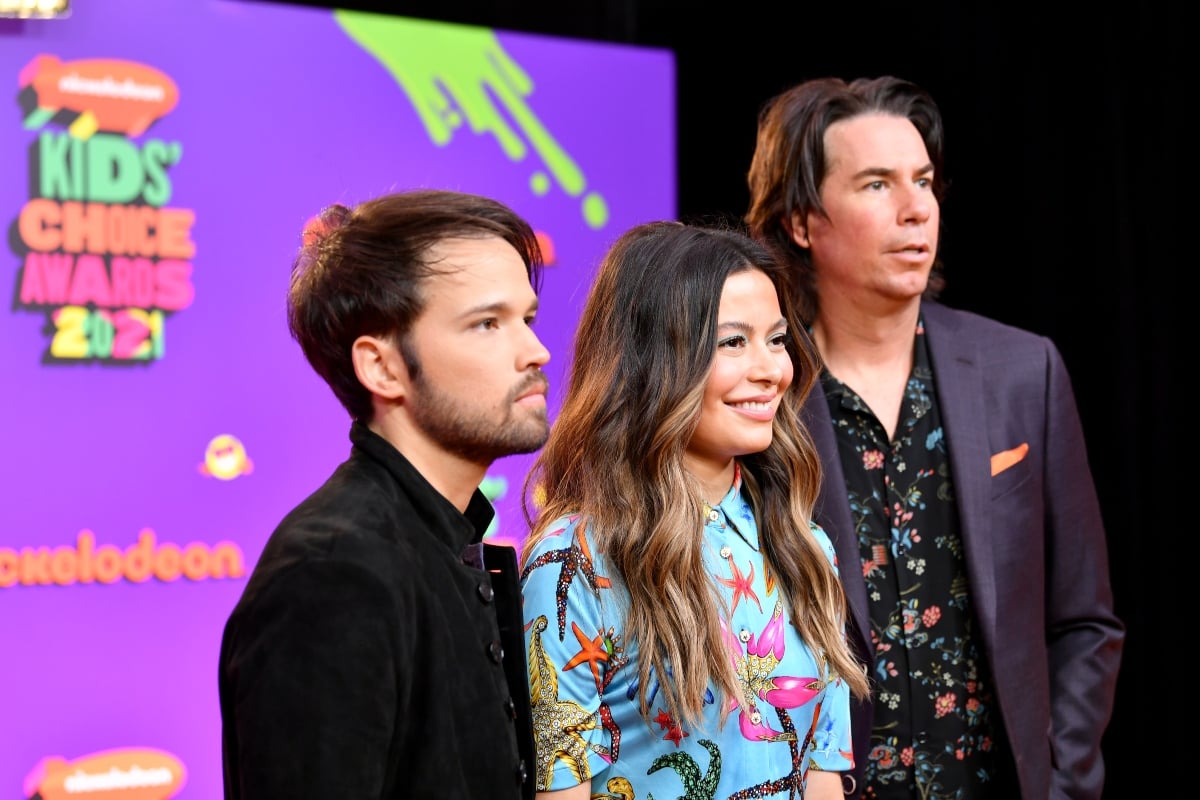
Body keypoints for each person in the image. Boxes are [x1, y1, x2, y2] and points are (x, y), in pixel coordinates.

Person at [744, 75, 1124, 799]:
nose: (917, 209)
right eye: (877, 185)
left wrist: (1063, 783)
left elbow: (1084, 620)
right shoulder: (763, 393)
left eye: (924, 180)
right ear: (801, 222)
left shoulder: (1022, 371)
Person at [518, 220, 870, 800]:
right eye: (733, 341)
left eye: (777, 339)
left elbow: (822, 775)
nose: (770, 370)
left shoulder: (805, 546)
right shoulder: (574, 561)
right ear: (651, 362)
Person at [218, 189, 550, 799]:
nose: (536, 351)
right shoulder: (334, 570)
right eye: (486, 324)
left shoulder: (447, 541)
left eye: (526, 319)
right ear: (382, 368)